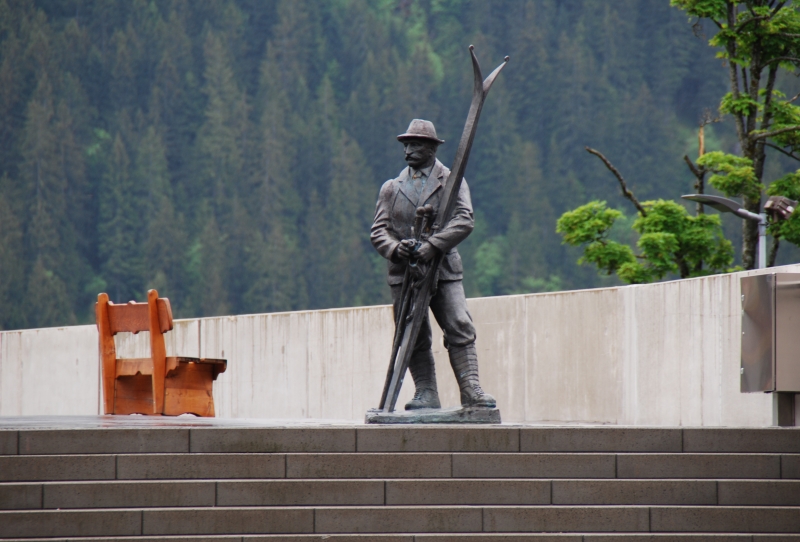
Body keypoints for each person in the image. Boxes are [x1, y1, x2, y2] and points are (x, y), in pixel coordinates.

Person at [370, 119, 496, 410]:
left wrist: (432, 246)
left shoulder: (452, 181)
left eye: (415, 145)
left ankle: (471, 389)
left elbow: (464, 219)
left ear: (430, 148)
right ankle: (426, 392)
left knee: (459, 324)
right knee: (413, 333)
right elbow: (379, 231)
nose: (408, 151)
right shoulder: (391, 188)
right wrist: (396, 248)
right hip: (406, 273)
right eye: (406, 145)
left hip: (444, 269)